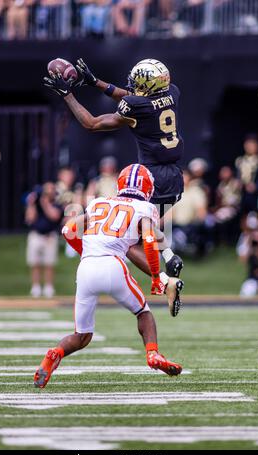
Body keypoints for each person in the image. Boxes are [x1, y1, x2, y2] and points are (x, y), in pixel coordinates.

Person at [34, 164, 183, 388]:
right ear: (148, 187)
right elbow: (151, 240)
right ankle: (153, 354)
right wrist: (155, 278)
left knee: (82, 335)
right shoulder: (145, 207)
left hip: (86, 268)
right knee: (143, 313)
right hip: (113, 265)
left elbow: (68, 230)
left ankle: (54, 354)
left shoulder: (98, 202)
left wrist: (87, 252)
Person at [43, 57, 185, 285]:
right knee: (139, 224)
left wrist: (66, 95)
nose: (132, 86)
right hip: (175, 177)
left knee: (125, 240)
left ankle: (166, 281)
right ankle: (168, 256)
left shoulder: (138, 107)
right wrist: (95, 82)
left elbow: (92, 123)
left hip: (153, 179)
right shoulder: (172, 92)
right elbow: (134, 97)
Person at [25, 182, 63, 298]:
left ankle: (48, 288)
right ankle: (35, 288)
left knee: (49, 263)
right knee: (35, 263)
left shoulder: (57, 204)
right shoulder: (35, 204)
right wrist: (31, 204)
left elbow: (54, 216)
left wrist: (45, 203)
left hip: (50, 236)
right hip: (36, 235)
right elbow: (30, 218)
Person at [235, 134, 258, 215]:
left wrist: (256, 186)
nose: (249, 146)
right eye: (247, 144)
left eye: (252, 144)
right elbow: (238, 176)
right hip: (244, 195)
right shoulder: (240, 161)